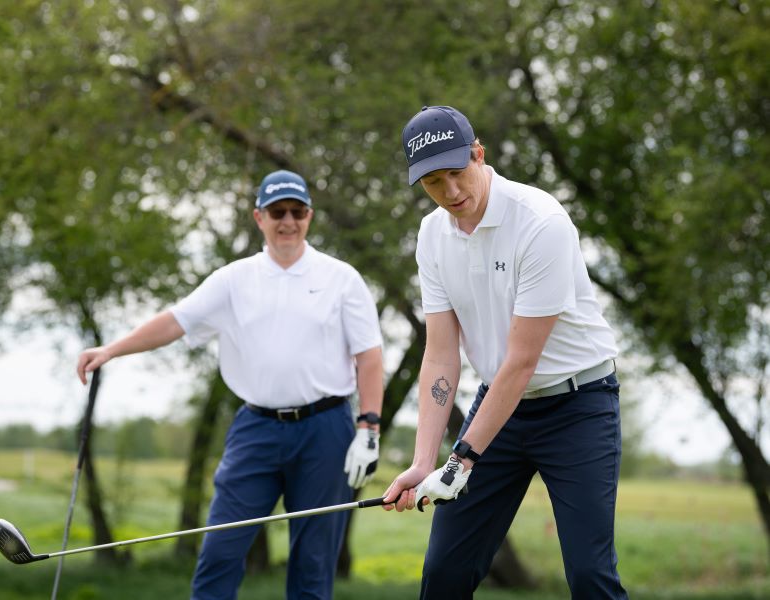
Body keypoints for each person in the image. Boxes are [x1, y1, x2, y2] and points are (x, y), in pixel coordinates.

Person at [77, 169, 384, 600]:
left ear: (310, 216)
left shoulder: (341, 278)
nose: (288, 221)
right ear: (259, 217)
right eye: (278, 212)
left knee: (313, 564)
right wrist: (112, 349)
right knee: (220, 551)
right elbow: (175, 322)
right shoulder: (234, 279)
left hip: (326, 429)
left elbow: (369, 356)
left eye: (297, 211)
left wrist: (369, 428)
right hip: (256, 428)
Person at [383, 106, 627, 599]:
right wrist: (425, 459)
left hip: (578, 408)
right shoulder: (432, 235)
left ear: (479, 154)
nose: (450, 192)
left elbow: (521, 362)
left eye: (457, 172)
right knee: (444, 574)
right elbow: (441, 355)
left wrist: (461, 460)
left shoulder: (540, 222)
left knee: (589, 576)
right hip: (501, 411)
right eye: (433, 182)